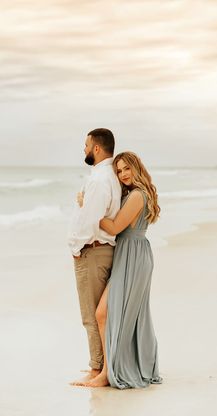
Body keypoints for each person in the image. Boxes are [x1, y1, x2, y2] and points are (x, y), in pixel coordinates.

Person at [79, 151, 163, 389]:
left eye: (127, 168)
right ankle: (112, 367)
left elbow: (115, 227)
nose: (123, 174)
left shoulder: (138, 195)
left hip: (133, 256)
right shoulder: (133, 194)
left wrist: (89, 208)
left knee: (104, 313)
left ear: (137, 168)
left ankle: (107, 372)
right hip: (130, 254)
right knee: (121, 314)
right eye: (119, 171)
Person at [68, 128, 121, 384]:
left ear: (97, 148)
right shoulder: (108, 176)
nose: (84, 149)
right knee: (100, 315)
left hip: (93, 250)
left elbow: (91, 220)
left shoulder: (100, 179)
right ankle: (101, 367)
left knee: (91, 315)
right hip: (102, 250)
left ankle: (97, 369)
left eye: (86, 145)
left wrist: (76, 248)